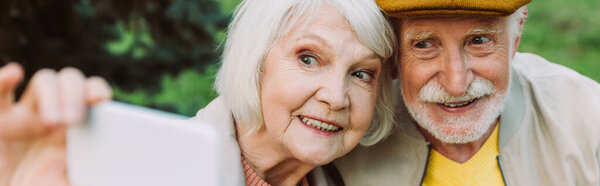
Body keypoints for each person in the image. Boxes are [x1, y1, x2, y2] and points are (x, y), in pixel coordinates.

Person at [0, 0, 396, 185]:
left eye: (362, 73)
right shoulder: (146, 174)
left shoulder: (357, 178)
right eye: (309, 58)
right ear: (253, 62)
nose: (337, 97)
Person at [334, 0, 600, 185]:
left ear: (516, 37)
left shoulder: (588, 117)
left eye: (479, 40)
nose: (456, 84)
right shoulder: (343, 137)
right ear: (393, 56)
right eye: (424, 44)